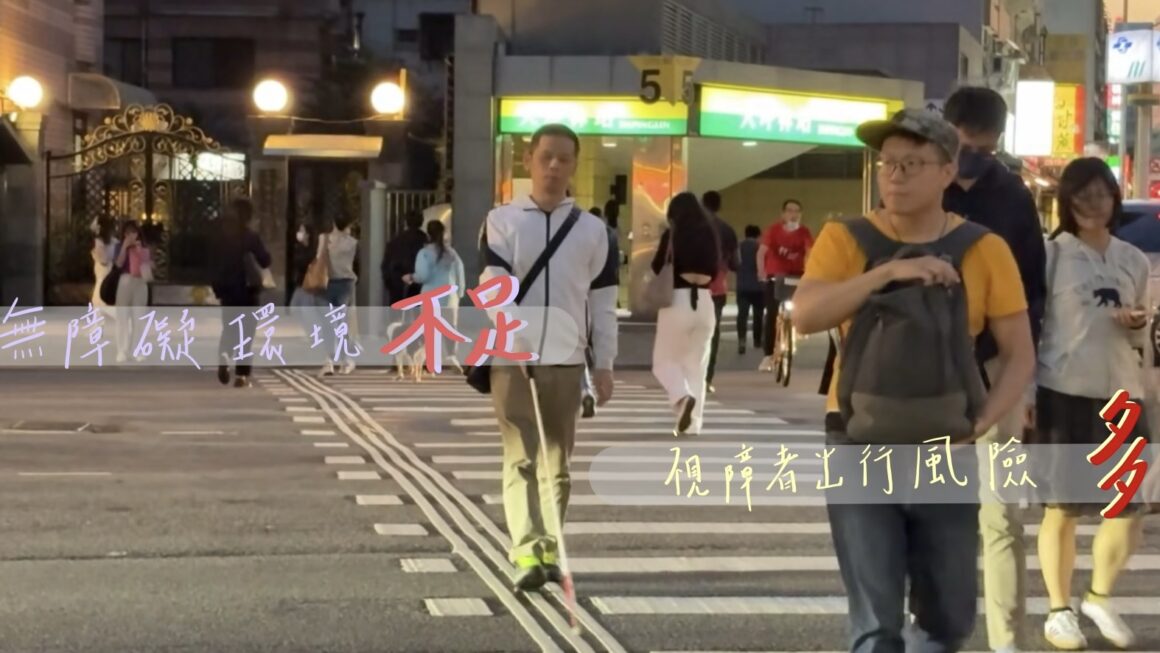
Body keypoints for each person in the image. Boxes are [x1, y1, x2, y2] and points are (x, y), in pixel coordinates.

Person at [793, 109, 1034, 652]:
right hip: (858, 441)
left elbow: (1019, 354)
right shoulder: (845, 238)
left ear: (947, 171)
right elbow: (805, 315)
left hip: (947, 445)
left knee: (947, 618)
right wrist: (887, 273)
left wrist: (981, 422)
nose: (895, 175)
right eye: (887, 164)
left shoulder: (984, 248)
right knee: (876, 623)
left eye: (911, 164)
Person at [479, 123, 618, 591]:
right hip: (512, 356)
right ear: (529, 161)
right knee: (520, 454)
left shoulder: (594, 231)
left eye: (564, 158)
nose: (554, 166)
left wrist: (605, 363)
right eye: (546, 157)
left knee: (557, 462)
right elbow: (491, 283)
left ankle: (550, 547)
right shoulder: (502, 221)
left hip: (566, 357)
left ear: (574, 165)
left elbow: (603, 302)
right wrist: (511, 330)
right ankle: (525, 550)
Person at [941, 85, 1048, 653]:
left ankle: (1008, 641)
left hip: (998, 367)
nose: (974, 159)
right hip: (929, 370)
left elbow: (1033, 292)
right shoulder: (922, 184)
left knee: (1002, 514)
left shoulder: (1013, 198)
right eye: (966, 148)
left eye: (985, 149)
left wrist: (1025, 381)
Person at [1033, 157, 1149, 651]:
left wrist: (1138, 323)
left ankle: (1099, 596)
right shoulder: (1050, 255)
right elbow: (1031, 325)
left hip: (1123, 392)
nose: (1093, 204)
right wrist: (1024, 394)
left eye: (1102, 194)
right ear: (1067, 201)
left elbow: (1143, 336)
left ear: (1114, 200)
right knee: (1062, 509)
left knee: (1128, 507)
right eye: (1082, 195)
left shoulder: (1133, 259)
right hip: (1062, 390)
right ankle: (1059, 610)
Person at [651, 192, 721, 436]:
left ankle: (682, 397)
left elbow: (657, 266)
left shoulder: (673, 234)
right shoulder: (711, 234)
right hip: (705, 302)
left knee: (663, 361)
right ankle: (692, 424)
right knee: (697, 367)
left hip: (677, 300)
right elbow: (716, 269)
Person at [211, 198, 273, 388]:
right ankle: (241, 375)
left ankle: (224, 355)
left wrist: (218, 288)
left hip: (227, 292)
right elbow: (265, 260)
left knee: (229, 328)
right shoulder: (251, 237)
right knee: (246, 333)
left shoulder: (221, 237)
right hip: (248, 292)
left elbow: (212, 263)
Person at [757, 199, 813, 372]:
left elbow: (811, 252)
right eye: (789, 211)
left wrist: (812, 272)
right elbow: (761, 253)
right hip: (775, 276)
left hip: (796, 276)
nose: (793, 215)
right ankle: (768, 355)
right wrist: (761, 272)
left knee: (802, 305)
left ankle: (798, 328)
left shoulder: (804, 232)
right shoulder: (773, 230)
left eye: (797, 211)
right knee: (772, 313)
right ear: (783, 214)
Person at [410, 220, 466, 370]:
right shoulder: (452, 253)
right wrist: (459, 293)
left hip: (430, 297)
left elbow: (423, 276)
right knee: (450, 329)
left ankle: (431, 360)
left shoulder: (424, 253)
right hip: (450, 297)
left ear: (428, 234)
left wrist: (412, 277)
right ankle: (451, 357)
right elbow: (460, 273)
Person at [702, 190, 739, 394]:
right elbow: (736, 263)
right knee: (712, 333)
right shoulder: (727, 230)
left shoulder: (690, 228)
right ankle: (707, 378)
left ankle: (689, 375)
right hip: (716, 288)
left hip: (690, 288)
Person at [319, 214, 360, 376]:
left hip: (326, 283)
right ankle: (345, 360)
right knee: (343, 323)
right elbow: (357, 265)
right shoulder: (353, 243)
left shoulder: (324, 239)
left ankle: (328, 361)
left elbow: (318, 259)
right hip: (346, 284)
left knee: (327, 323)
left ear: (334, 223)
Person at [113, 221, 153, 364]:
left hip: (140, 283)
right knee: (122, 318)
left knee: (139, 318)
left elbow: (149, 265)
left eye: (133, 232)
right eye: (127, 233)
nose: (131, 236)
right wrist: (125, 246)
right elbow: (118, 264)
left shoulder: (144, 247)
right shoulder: (119, 246)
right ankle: (122, 350)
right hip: (125, 280)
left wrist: (139, 251)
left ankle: (139, 350)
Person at [382, 211, 428, 305]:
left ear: (406, 222)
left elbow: (386, 265)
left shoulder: (395, 241)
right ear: (422, 222)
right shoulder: (426, 241)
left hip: (398, 284)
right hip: (419, 285)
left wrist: (390, 282)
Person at [736, 224, 764, 355]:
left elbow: (734, 263)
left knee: (742, 314)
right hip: (759, 286)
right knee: (758, 315)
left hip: (742, 286)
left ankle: (742, 340)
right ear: (758, 235)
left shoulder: (738, 246)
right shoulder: (760, 247)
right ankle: (757, 340)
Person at [91, 217, 118, 312]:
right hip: (103, 273)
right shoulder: (98, 242)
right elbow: (104, 260)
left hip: (110, 275)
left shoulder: (114, 241)